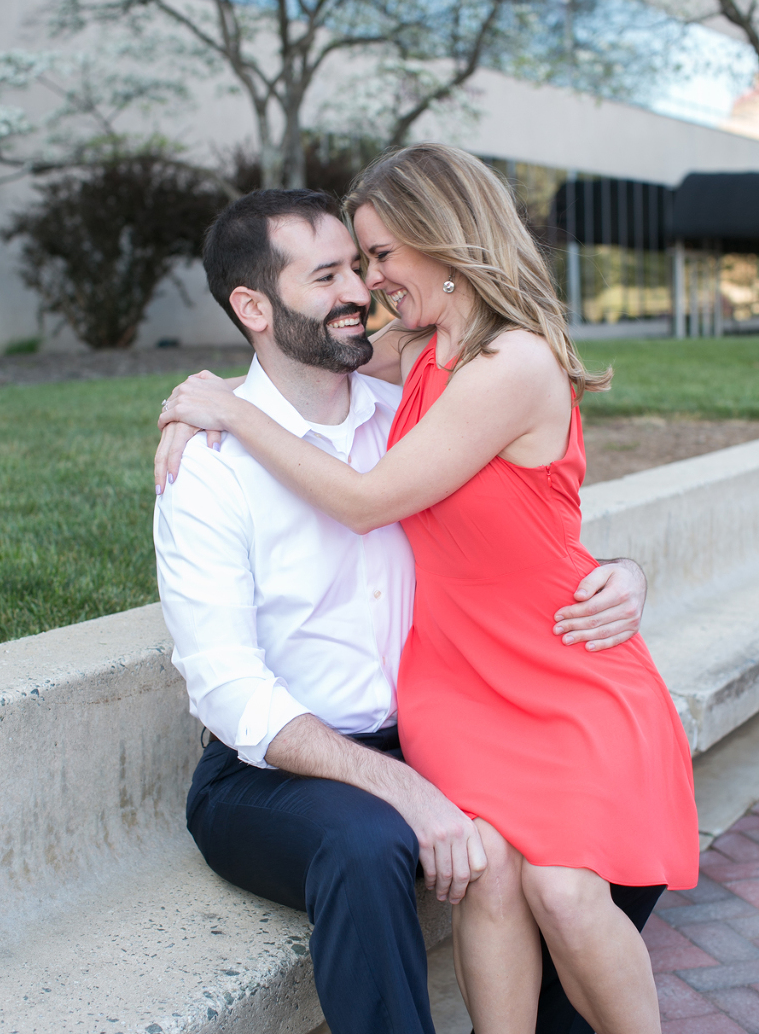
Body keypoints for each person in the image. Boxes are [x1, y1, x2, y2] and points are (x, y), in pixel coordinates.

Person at [157, 151, 699, 1034]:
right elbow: (226, 682)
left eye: (371, 260)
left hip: (521, 685)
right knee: (420, 854)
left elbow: (479, 515)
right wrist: (210, 400)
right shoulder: (244, 451)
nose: (364, 288)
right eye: (339, 269)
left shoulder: (446, 374)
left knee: (560, 885)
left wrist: (627, 572)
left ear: (443, 244)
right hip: (365, 733)